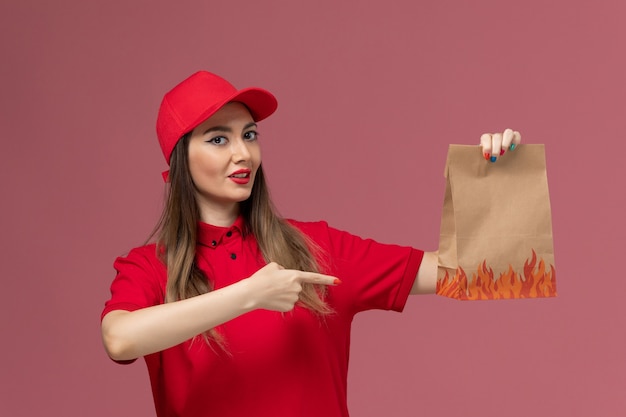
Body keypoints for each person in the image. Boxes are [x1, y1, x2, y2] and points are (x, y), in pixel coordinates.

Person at [101, 71, 521, 417]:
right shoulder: (151, 268)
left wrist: (491, 184)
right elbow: (119, 339)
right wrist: (249, 295)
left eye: (249, 135)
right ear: (180, 159)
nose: (243, 154)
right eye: (217, 139)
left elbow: (473, 275)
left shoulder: (314, 247)